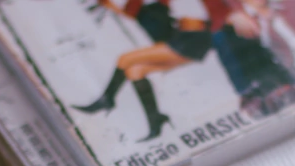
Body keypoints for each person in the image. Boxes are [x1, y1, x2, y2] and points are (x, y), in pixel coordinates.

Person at [74, 0, 213, 141]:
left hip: (190, 41)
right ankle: (155, 119)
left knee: (125, 59)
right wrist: (111, 6)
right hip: (182, 39)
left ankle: (107, 100)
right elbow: (132, 13)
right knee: (134, 71)